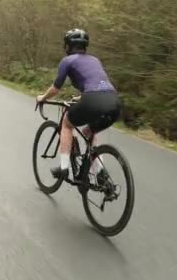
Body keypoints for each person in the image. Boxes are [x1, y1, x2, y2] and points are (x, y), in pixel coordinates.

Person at [36, 28, 121, 181]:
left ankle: (63, 168)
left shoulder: (67, 61)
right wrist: (82, 98)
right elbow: (94, 83)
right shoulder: (95, 60)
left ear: (67, 46)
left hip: (92, 99)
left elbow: (55, 89)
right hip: (113, 102)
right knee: (89, 131)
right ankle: (100, 172)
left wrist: (43, 97)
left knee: (67, 125)